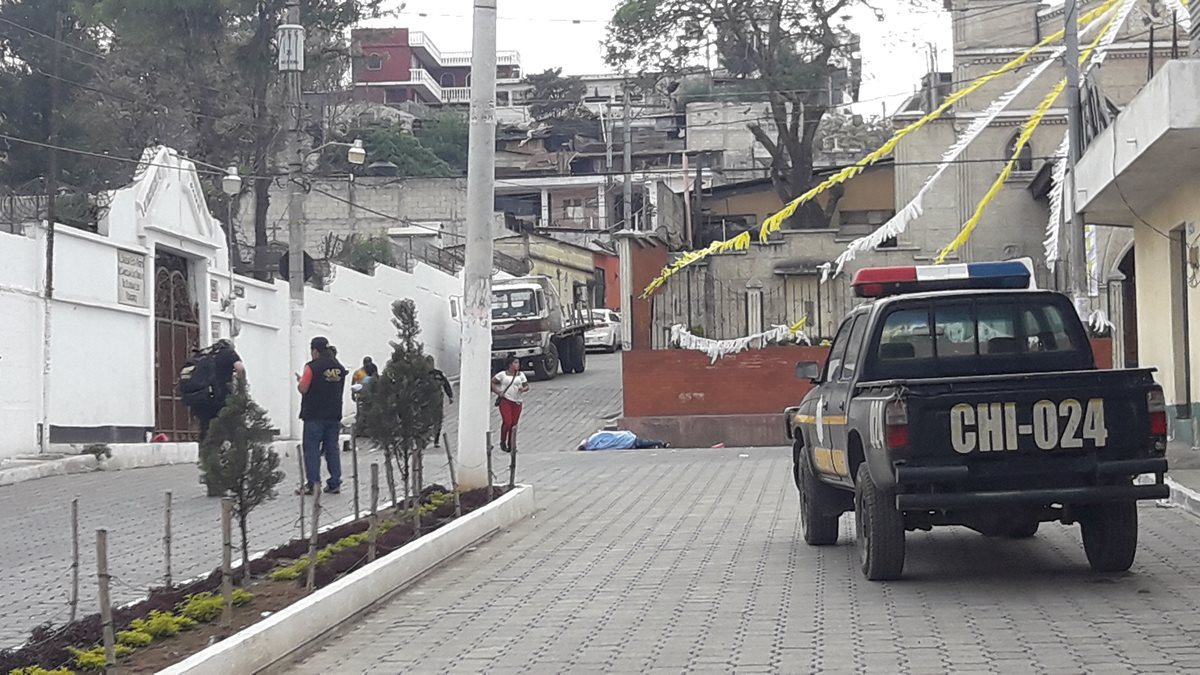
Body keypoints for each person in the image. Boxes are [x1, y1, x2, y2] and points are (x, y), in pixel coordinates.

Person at [297, 336, 348, 495]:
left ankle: (313, 483)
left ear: (315, 351)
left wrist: (300, 382)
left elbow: (304, 388)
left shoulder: (312, 367)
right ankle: (334, 482)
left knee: (312, 449)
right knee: (332, 449)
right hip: (333, 415)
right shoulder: (339, 368)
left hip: (314, 415)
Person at [191, 339, 245, 443]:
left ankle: (205, 453)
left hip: (201, 396)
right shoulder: (229, 353)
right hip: (221, 395)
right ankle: (228, 451)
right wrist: (241, 388)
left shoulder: (206, 355)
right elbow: (240, 368)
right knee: (229, 423)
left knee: (206, 427)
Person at [490, 354, 529, 453]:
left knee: (514, 424)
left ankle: (511, 444)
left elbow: (527, 386)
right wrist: (499, 392)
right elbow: (493, 382)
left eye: (518, 363)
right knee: (507, 422)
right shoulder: (502, 375)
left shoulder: (521, 375)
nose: (517, 365)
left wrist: (523, 389)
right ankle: (503, 441)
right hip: (506, 400)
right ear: (510, 364)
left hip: (517, 402)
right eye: (515, 363)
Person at [429, 358, 453, 448]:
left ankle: (436, 440)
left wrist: (450, 396)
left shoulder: (438, 374)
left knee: (438, 420)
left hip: (438, 401)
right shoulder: (422, 374)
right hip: (426, 402)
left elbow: (446, 384)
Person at [577, 430, 669, 451]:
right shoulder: (594, 439)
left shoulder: (594, 442)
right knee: (641, 443)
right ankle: (659, 444)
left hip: (624, 440)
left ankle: (660, 443)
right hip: (624, 438)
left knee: (641, 443)